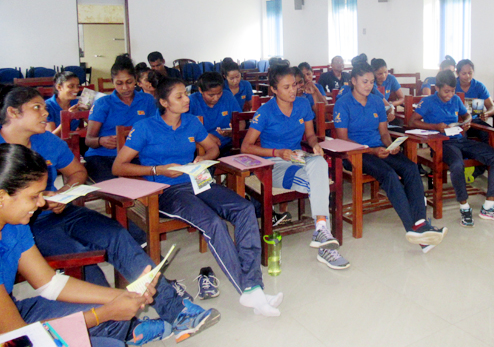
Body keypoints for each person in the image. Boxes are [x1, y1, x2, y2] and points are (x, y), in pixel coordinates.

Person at [0, 89, 219, 345]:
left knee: (116, 234)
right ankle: (126, 327)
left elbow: (77, 173)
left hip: (55, 212)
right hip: (26, 223)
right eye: (37, 107)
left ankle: (176, 310)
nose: (46, 112)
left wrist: (60, 194)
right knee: (79, 255)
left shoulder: (46, 140)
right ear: (13, 113)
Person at [112, 77, 283, 317]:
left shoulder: (191, 122)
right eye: (179, 96)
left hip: (197, 181)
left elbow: (212, 147)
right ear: (163, 102)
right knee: (212, 222)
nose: (186, 100)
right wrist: (157, 170)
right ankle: (248, 291)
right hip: (167, 191)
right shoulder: (145, 128)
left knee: (244, 209)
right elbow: (118, 166)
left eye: (186, 94)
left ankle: (254, 284)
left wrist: (204, 158)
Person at [0, 144, 165, 347]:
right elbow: (17, 338)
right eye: (34, 197)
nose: (42, 203)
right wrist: (103, 314)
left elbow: (50, 283)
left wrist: (122, 296)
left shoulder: (13, 225)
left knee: (115, 315)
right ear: (2, 197)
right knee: (111, 332)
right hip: (10, 337)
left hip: (14, 316)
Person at [241, 62, 350, 270]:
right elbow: (246, 146)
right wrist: (277, 153)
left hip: (299, 158)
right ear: (273, 89)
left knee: (318, 161)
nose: (293, 91)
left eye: (294, 85)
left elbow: (309, 134)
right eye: (286, 87)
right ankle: (324, 241)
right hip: (275, 166)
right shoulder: (265, 112)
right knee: (319, 182)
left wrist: (314, 144)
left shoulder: (301, 105)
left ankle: (320, 230)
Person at [333, 59, 446, 253]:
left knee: (410, 168)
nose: (369, 86)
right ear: (353, 81)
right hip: (356, 155)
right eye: (364, 81)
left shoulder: (377, 101)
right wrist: (372, 150)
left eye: (371, 82)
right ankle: (414, 229)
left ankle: (420, 223)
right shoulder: (342, 104)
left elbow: (384, 133)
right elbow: (343, 141)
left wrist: (390, 146)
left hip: (379, 149)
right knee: (390, 175)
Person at [409, 70, 494, 226]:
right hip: (441, 143)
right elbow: (413, 122)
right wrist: (435, 126)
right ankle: (464, 206)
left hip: (459, 139)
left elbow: (466, 115)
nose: (450, 94)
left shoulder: (456, 99)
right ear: (437, 88)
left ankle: (489, 206)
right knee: (457, 165)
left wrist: (467, 121)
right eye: (446, 91)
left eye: (453, 91)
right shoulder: (428, 101)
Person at [84, 55, 157, 183]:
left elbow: (154, 130)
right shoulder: (103, 103)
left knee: (155, 179)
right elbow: (89, 140)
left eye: (129, 82)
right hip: (103, 157)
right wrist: (101, 141)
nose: (125, 87)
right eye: (119, 83)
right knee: (117, 187)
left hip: (135, 155)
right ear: (112, 82)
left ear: (136, 80)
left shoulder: (147, 100)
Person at [188, 72, 241, 158]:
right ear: (200, 90)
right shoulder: (192, 101)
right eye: (211, 95)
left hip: (227, 145)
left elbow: (240, 120)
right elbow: (183, 127)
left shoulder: (227, 96)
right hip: (202, 148)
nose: (216, 98)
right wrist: (206, 136)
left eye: (219, 93)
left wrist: (234, 131)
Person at [454, 59, 494, 144]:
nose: (467, 76)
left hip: (475, 121)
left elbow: (492, 107)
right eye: (464, 73)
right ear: (457, 73)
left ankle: (486, 156)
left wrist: (487, 113)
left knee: (490, 134)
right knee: (460, 137)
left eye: (470, 73)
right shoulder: (452, 85)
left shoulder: (479, 86)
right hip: (457, 121)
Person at [45, 70, 86, 136]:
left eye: (77, 86)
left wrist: (86, 113)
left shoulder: (77, 103)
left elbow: (93, 126)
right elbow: (51, 137)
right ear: (59, 87)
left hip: (75, 141)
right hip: (56, 144)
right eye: (71, 86)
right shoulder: (47, 106)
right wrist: (68, 117)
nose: (77, 90)